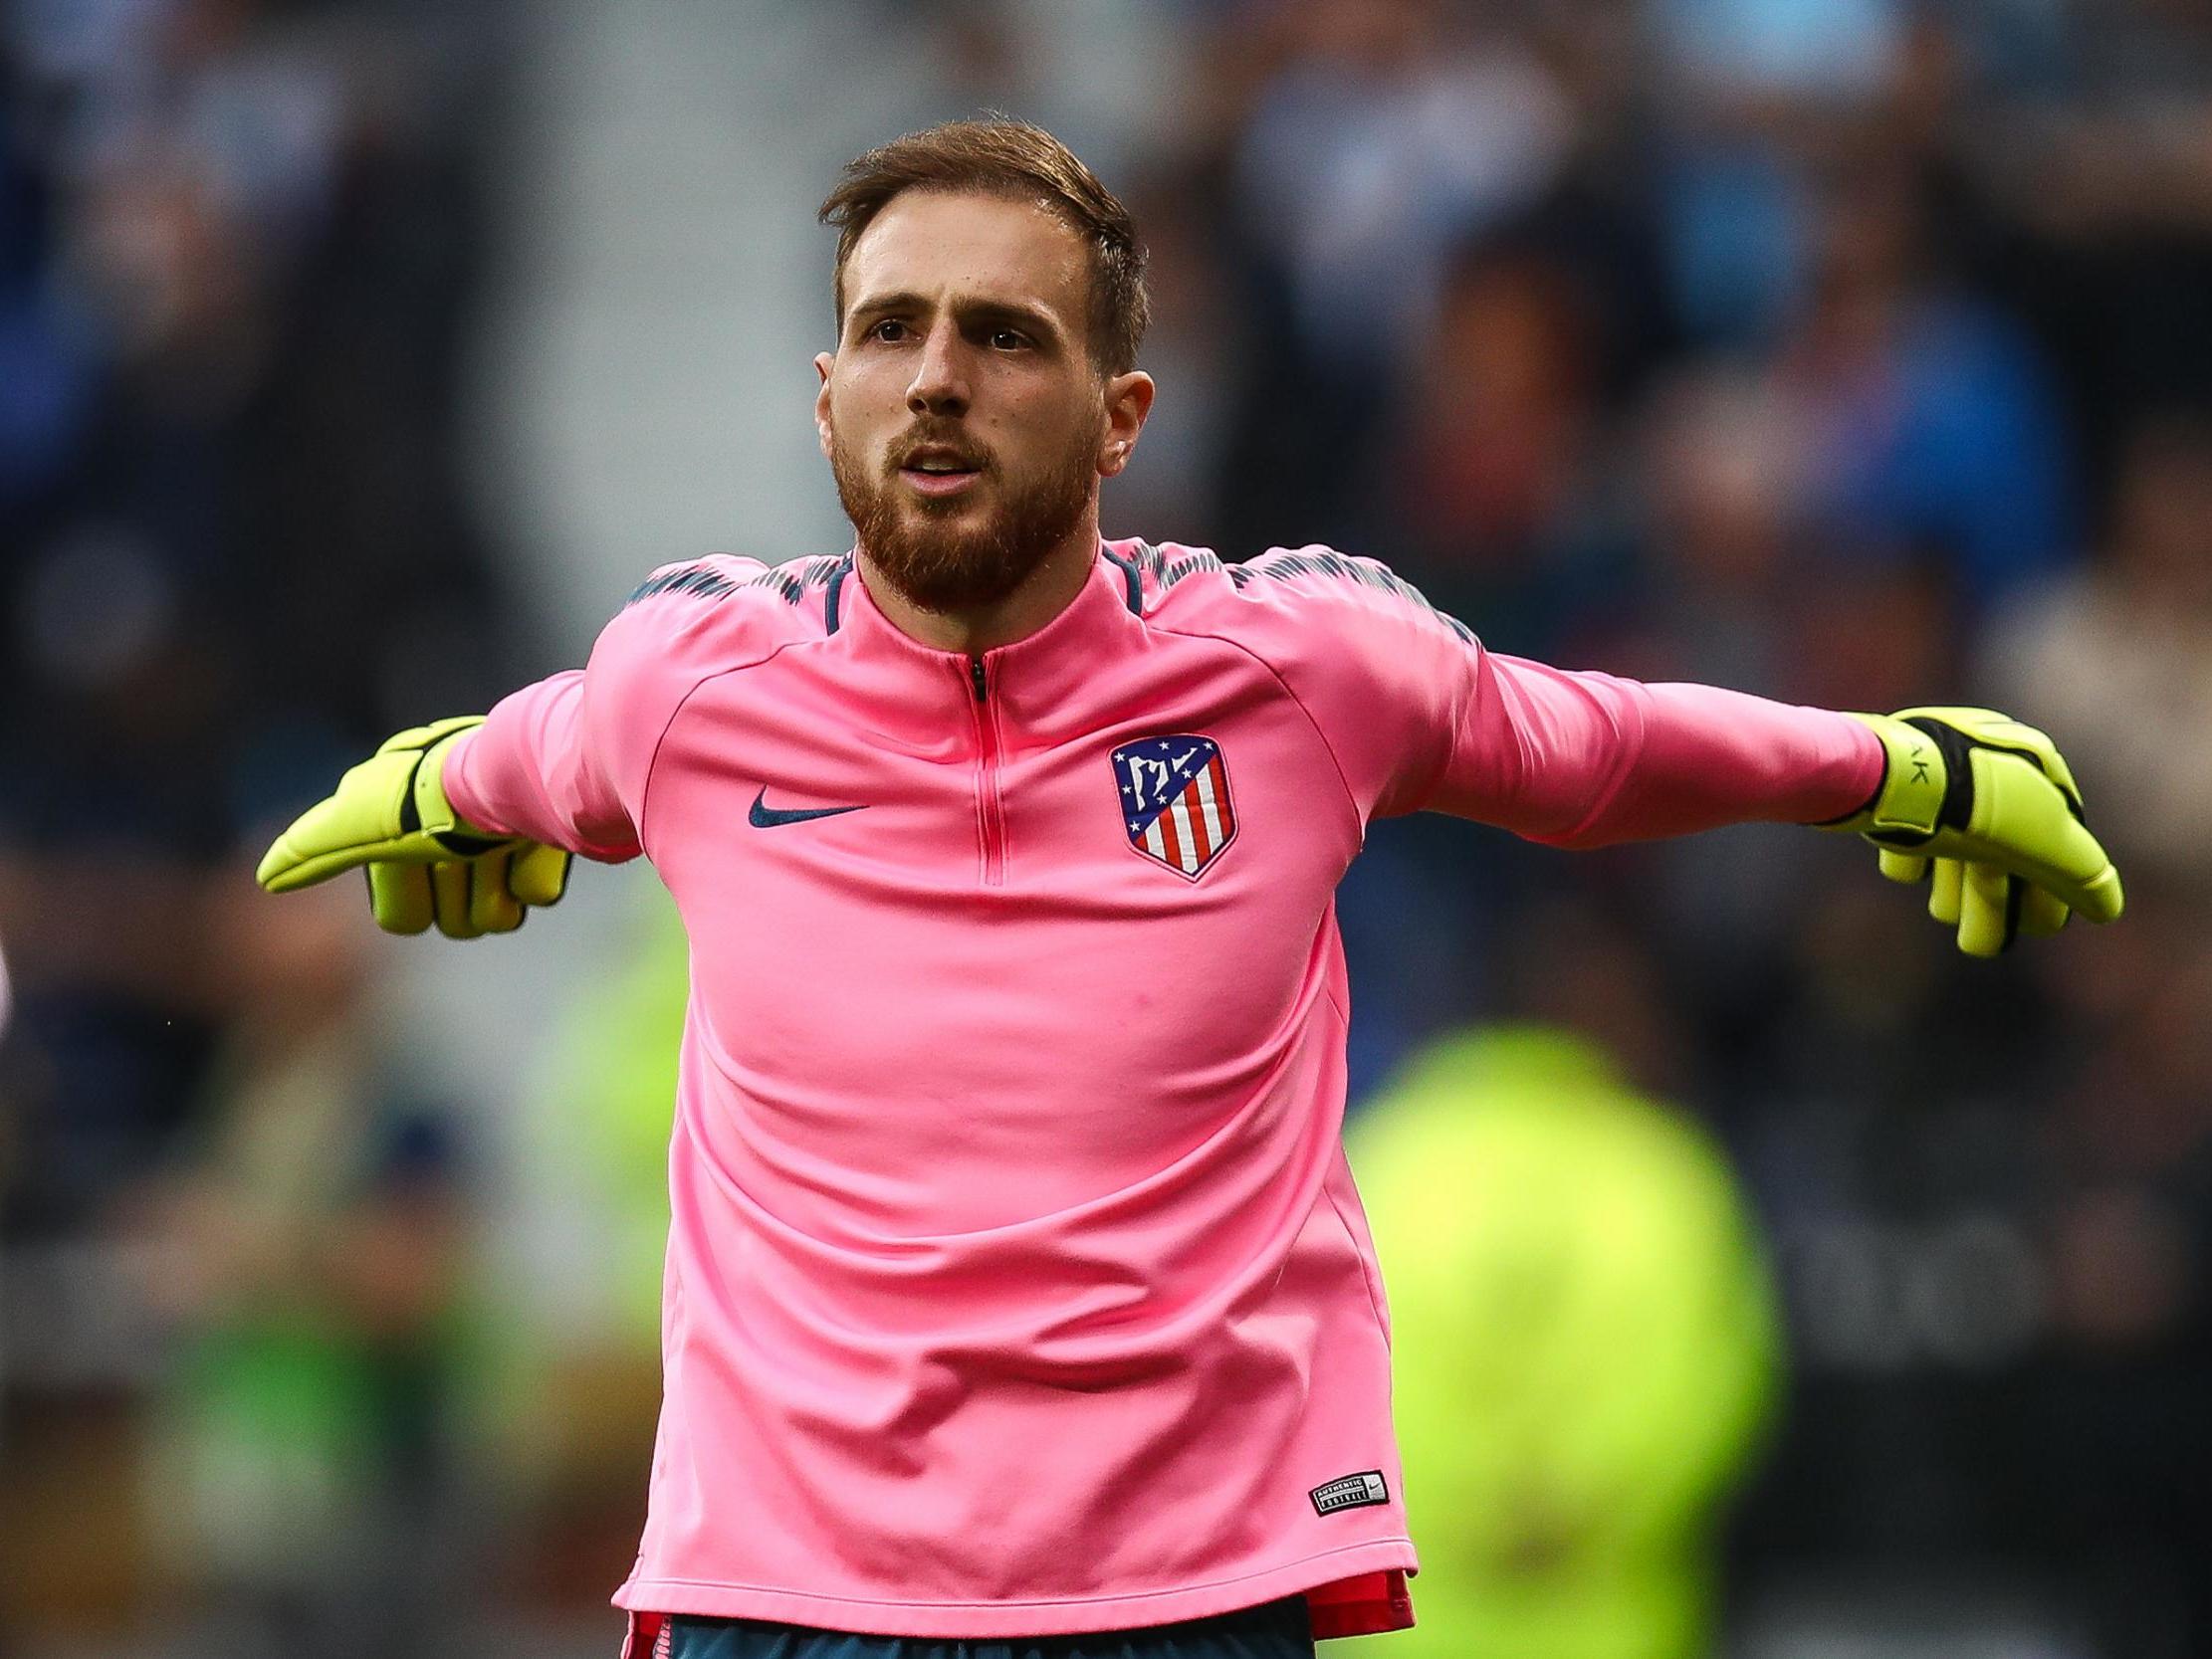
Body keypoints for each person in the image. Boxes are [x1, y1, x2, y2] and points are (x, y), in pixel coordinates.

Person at [255, 119, 2121, 1659]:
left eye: (1003, 335)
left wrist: (1894, 763)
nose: (936, 377)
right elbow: (520, 759)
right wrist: (436, 789)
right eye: (890, 329)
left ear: (1122, 411)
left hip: (1186, 1600)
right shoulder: (688, 690)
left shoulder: (1299, 669)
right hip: (779, 1597)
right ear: (827, 393)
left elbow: (1592, 748)